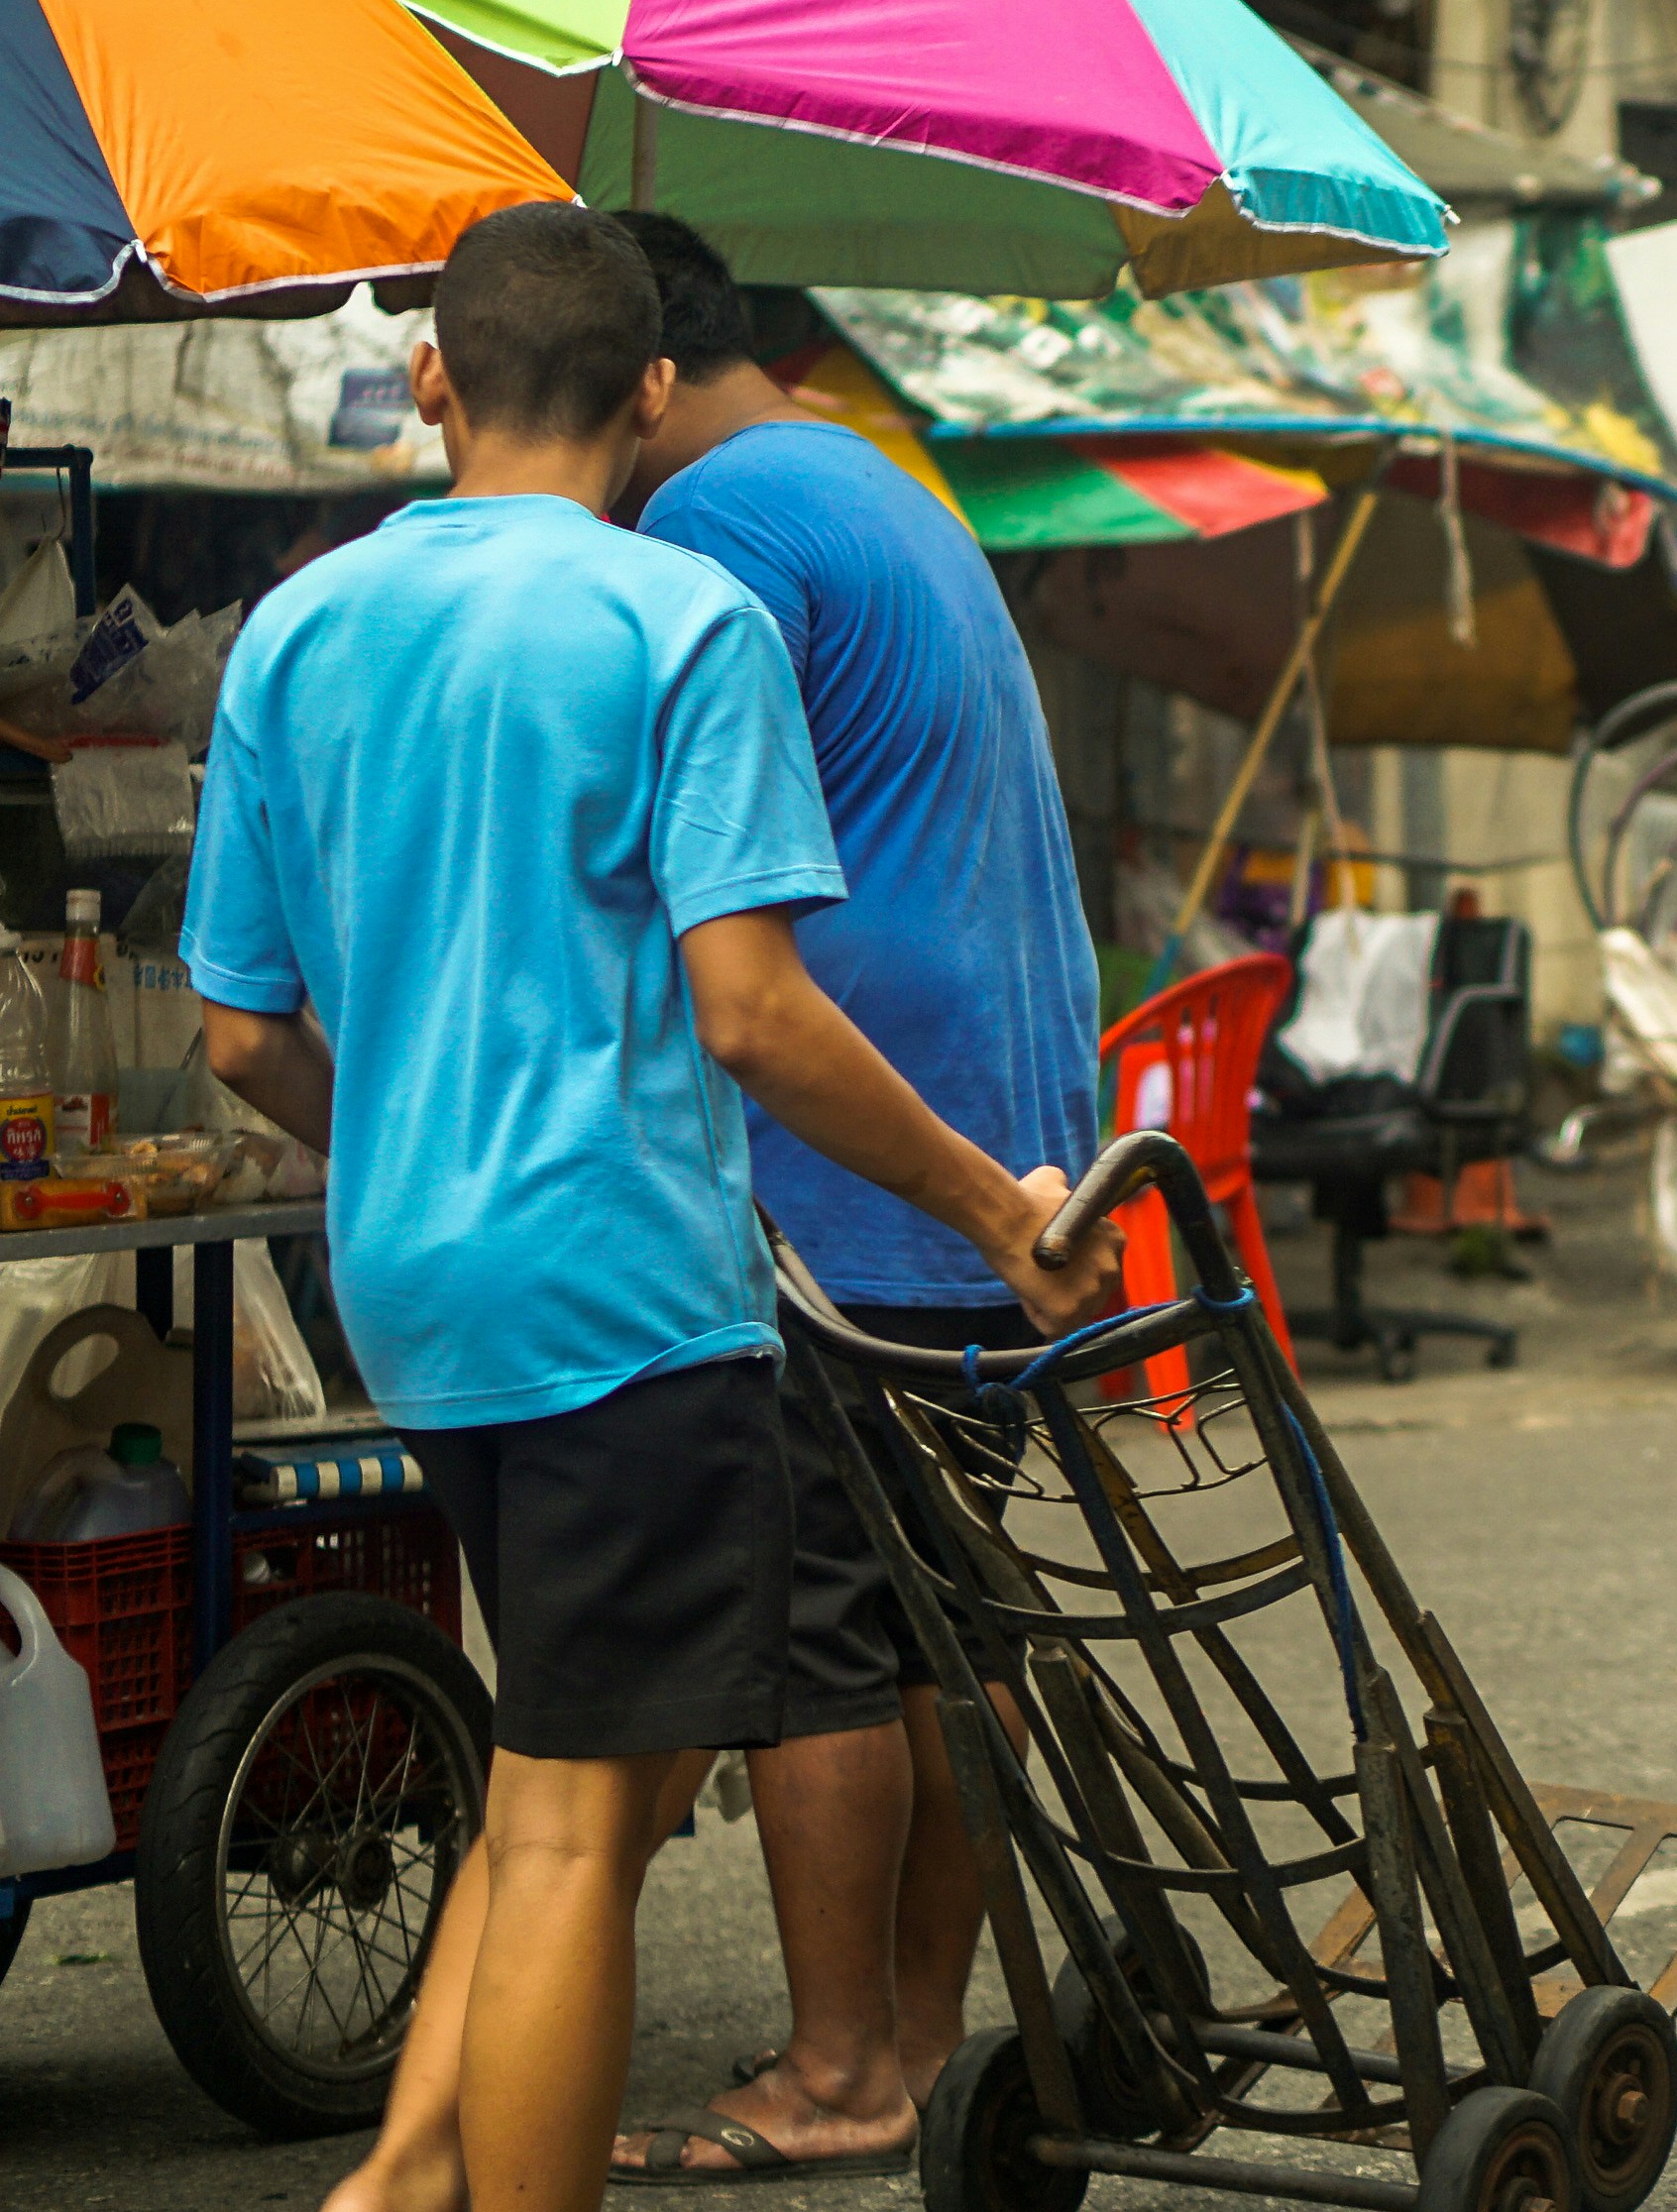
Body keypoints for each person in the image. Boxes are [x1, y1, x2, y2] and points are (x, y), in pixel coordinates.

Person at [194, 205, 1123, 2212]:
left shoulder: (296, 627)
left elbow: (238, 1044)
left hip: (414, 1294)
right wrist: (988, 1209)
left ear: (429, 377)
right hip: (629, 1289)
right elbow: (753, 1012)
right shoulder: (671, 617)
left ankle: (395, 2189)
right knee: (567, 1842)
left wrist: (411, 1132)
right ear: (644, 393)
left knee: (557, 1778)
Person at [527, 215, 1107, 2184]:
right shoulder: (865, 472)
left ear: (651, 382)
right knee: (950, 1627)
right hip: (1000, 1133)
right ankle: (926, 2041)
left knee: (822, 1643)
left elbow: (617, 832)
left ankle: (844, 2066)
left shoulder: (716, 531)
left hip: (864, 1149)